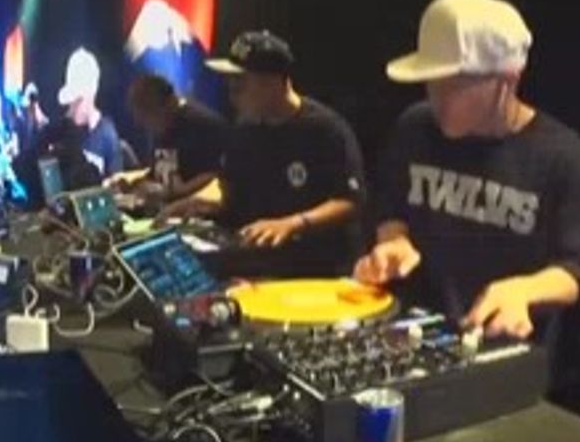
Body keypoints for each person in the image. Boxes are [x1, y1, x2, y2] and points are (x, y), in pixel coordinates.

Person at [353, 0, 580, 348]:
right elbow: (390, 208)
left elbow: (576, 271)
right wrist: (394, 242)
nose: (437, 97)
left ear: (508, 78)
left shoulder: (562, 157)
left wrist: (523, 290)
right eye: (431, 81)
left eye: (454, 84)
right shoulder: (414, 128)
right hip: (413, 338)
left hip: (503, 350)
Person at [165, 30, 366, 276]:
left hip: (317, 268)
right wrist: (196, 203)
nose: (232, 92)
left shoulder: (325, 129)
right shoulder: (244, 129)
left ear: (273, 83)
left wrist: (293, 224)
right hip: (256, 261)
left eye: (240, 82)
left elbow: (349, 201)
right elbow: (229, 186)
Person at [125, 73, 230, 203]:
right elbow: (163, 173)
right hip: (167, 207)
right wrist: (136, 185)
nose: (141, 124)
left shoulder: (204, 125)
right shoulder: (163, 130)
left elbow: (218, 172)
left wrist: (182, 191)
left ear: (167, 104)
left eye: (145, 114)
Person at [57, 48, 139, 182]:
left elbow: (116, 185)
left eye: (78, 101)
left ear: (91, 95)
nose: (73, 109)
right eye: (71, 102)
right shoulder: (66, 134)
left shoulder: (107, 136)